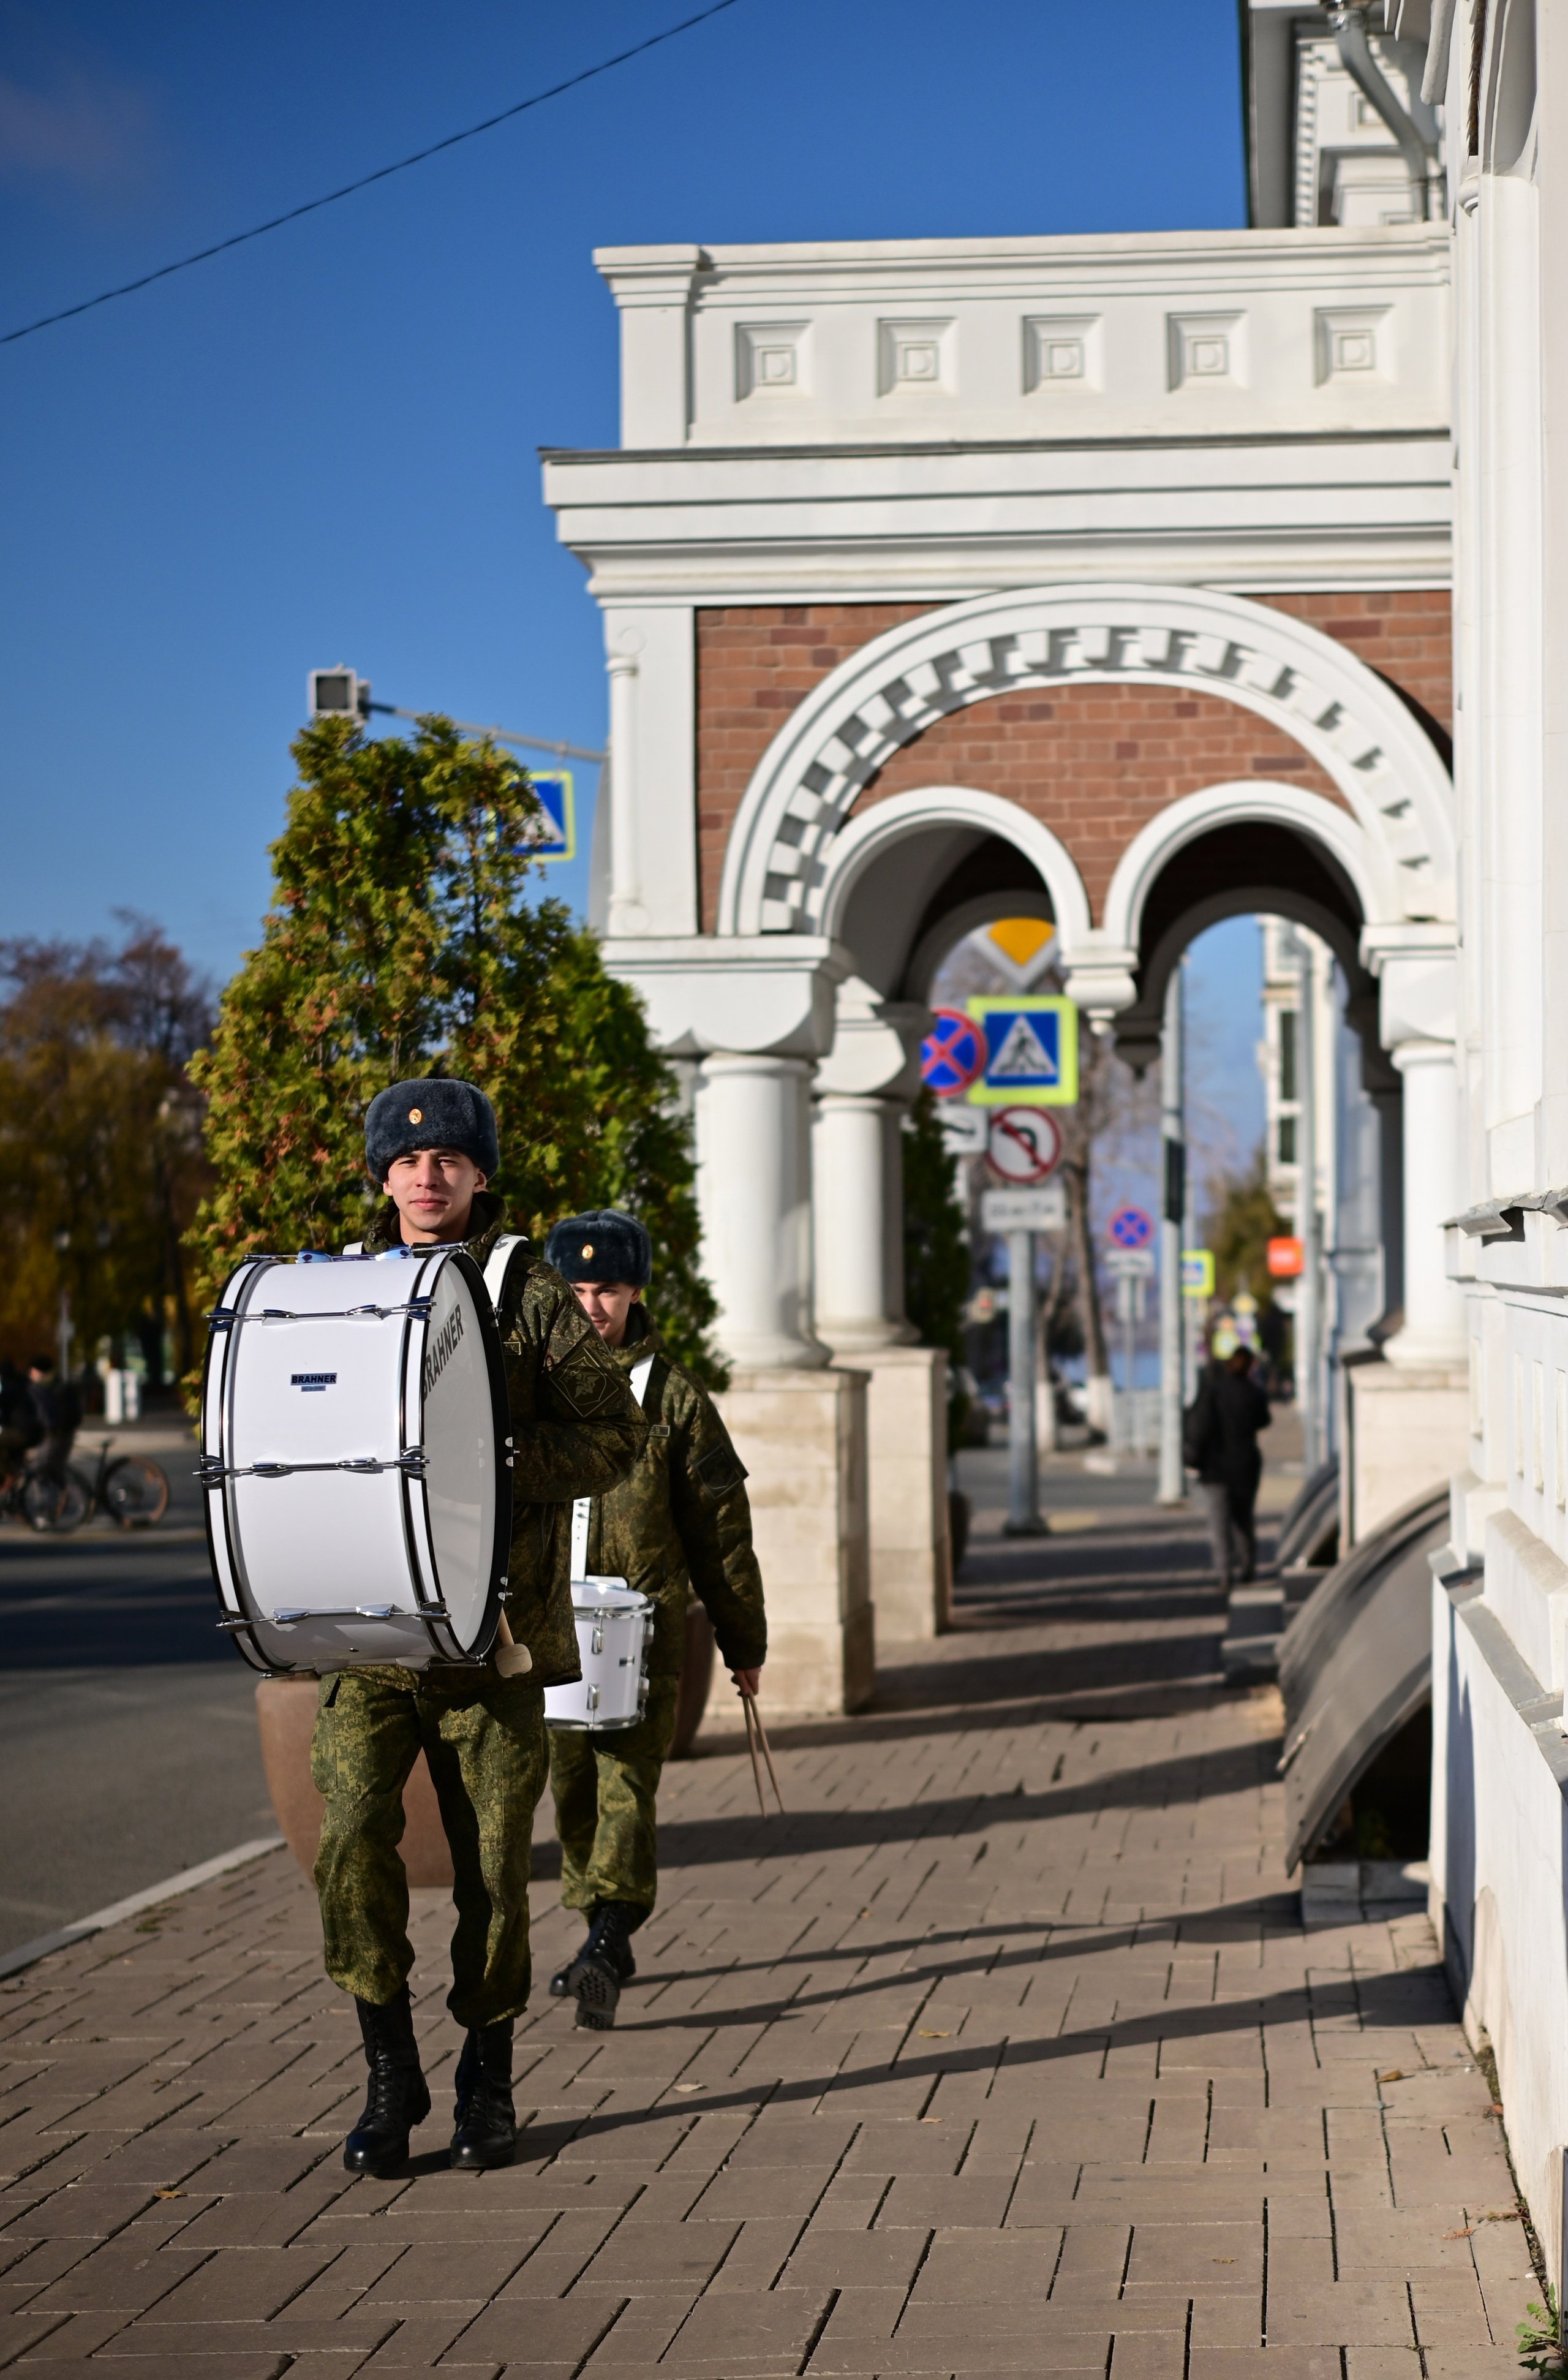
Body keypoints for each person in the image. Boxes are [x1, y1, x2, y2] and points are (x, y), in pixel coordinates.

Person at [310, 1079, 647, 2178]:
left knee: (496, 1878)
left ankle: (487, 2077)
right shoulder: (342, 1291)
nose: (427, 1175)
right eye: (408, 1162)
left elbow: (617, 1433)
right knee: (352, 1841)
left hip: (490, 1641)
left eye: (450, 1160)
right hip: (372, 1637)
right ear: (382, 1176)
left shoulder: (529, 1293)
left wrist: (504, 1460)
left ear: (480, 1174)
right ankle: (389, 2069)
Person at [541, 1207, 767, 2031]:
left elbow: (722, 1530)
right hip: (548, 1630)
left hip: (642, 1634)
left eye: (609, 1287)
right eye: (578, 1288)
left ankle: (609, 1932)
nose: (594, 1304)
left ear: (637, 1291)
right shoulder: (529, 1390)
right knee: (570, 1791)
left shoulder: (674, 1398)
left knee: (625, 1786)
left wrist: (745, 1643)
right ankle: (602, 1925)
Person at [1185, 1337, 1272, 1587]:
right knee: (1244, 1519)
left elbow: (1200, 1427)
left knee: (1219, 1523)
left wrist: (1193, 1455)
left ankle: (1225, 1573)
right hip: (1245, 1464)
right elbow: (1264, 1420)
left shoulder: (1213, 1391)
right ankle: (1247, 1567)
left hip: (1215, 1467)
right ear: (1250, 1367)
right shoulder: (1253, 1393)